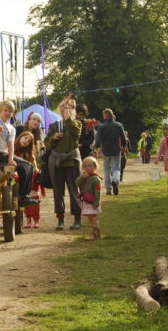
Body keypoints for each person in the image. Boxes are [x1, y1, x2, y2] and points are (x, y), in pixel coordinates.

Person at [43, 94, 82, 230]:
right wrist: (53, 137)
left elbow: (73, 128)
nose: (64, 110)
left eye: (67, 108)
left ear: (72, 110)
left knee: (74, 191)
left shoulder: (76, 124)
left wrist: (67, 113)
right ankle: (60, 219)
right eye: (62, 108)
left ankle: (77, 219)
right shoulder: (54, 126)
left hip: (71, 162)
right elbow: (46, 143)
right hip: (57, 163)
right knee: (58, 192)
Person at [0, 100, 38, 207]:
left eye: (10, 111)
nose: (7, 113)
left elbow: (11, 145)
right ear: (0, 111)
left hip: (4, 155)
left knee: (29, 166)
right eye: (5, 110)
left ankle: (24, 196)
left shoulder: (11, 128)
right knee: (26, 165)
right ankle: (22, 197)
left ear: (12, 113)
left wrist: (11, 159)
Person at [14, 131, 45, 228]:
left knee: (33, 201)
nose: (26, 141)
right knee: (21, 202)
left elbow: (35, 169)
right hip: (16, 180)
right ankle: (27, 219)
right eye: (25, 138)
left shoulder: (29, 154)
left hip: (31, 181)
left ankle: (36, 220)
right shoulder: (12, 150)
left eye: (29, 141)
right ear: (20, 137)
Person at [93, 108, 126, 195]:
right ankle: (115, 180)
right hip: (116, 149)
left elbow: (98, 139)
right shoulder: (118, 125)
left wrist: (96, 148)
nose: (102, 116)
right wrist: (124, 145)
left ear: (106, 115)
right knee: (116, 168)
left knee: (107, 169)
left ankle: (108, 189)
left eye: (103, 114)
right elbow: (123, 137)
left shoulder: (101, 126)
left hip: (106, 150)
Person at [76, 156, 102, 241]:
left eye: (90, 166)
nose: (87, 168)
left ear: (95, 167)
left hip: (92, 202)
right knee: (91, 219)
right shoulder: (85, 177)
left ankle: (95, 234)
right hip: (86, 201)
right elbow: (77, 183)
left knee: (93, 218)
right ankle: (95, 234)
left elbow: (98, 192)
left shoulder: (95, 179)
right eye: (85, 166)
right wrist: (82, 177)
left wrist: (96, 202)